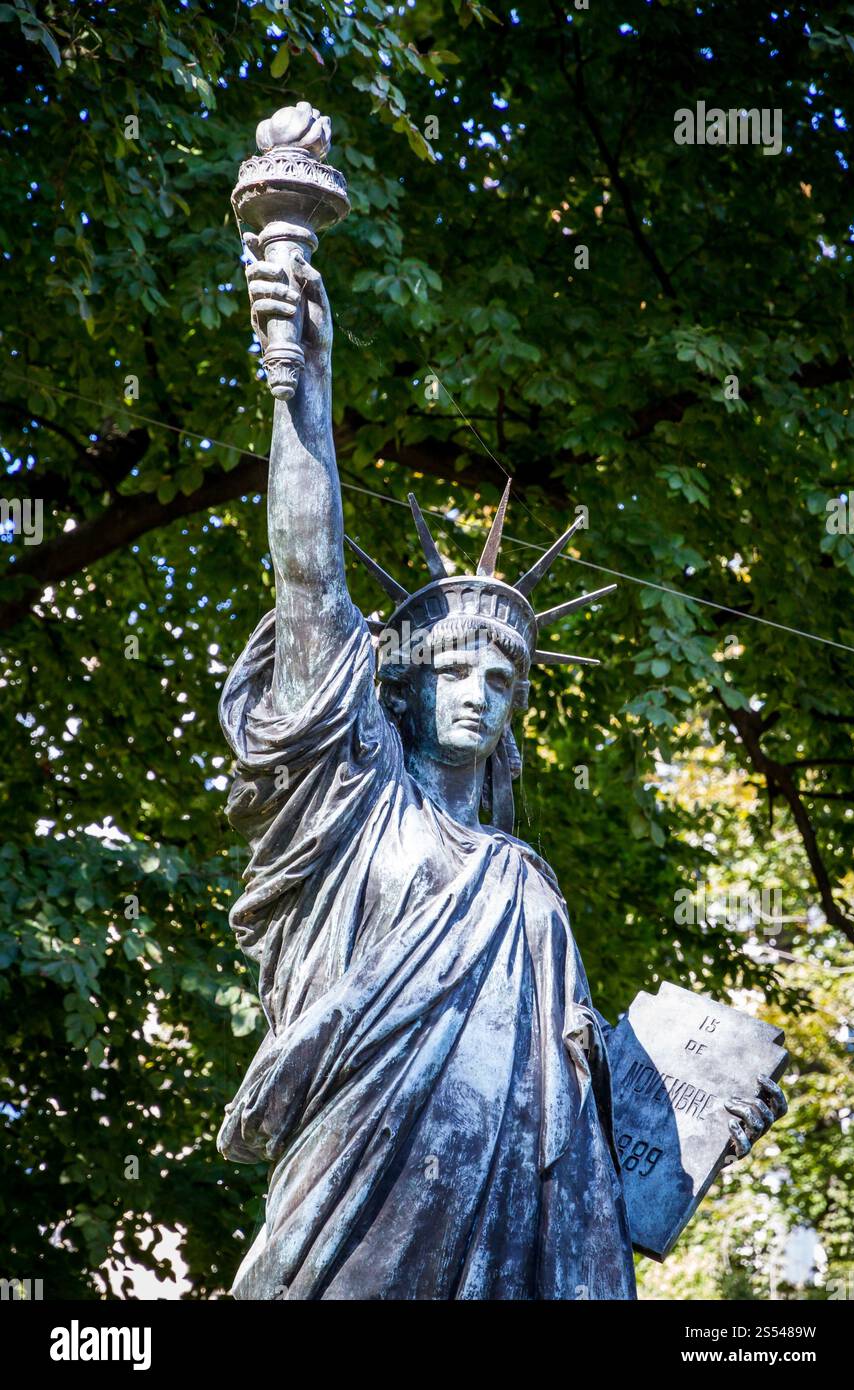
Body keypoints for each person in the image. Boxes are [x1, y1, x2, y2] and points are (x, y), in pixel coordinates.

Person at [216, 236, 784, 1300]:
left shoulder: (525, 883)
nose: (476, 689)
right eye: (451, 667)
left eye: (501, 675)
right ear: (402, 686)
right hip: (357, 1197)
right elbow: (307, 576)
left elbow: (570, 1127)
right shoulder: (354, 810)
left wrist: (690, 1114)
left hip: (512, 1239)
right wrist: (304, 391)